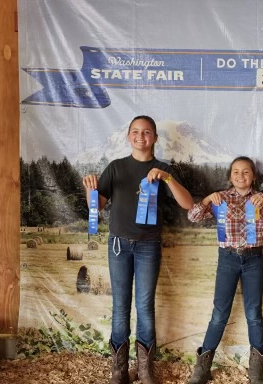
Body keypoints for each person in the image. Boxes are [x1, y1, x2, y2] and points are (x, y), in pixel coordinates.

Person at [82, 115, 194, 384]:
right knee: (121, 306)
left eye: (146, 132)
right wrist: (90, 190)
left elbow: (189, 204)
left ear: (155, 137)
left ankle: (145, 370)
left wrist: (167, 178)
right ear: (128, 136)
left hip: (148, 245)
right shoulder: (116, 167)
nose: (140, 136)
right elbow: (95, 208)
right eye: (135, 131)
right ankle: (119, 370)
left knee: (145, 306)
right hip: (119, 244)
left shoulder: (163, 168)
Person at [187, 156, 263, 384]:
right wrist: (208, 199)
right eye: (236, 172)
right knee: (219, 313)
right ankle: (202, 368)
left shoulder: (261, 198)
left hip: (253, 259)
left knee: (254, 314)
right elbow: (193, 216)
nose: (241, 176)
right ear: (230, 176)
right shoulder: (221, 199)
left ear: (254, 176)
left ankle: (256, 371)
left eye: (246, 172)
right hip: (227, 259)